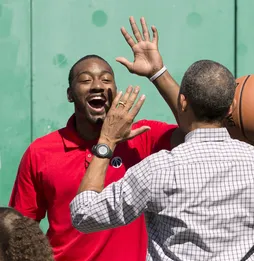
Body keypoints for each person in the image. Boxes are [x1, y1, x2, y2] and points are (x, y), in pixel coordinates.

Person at [70, 59, 254, 261]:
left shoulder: (158, 169)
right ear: (231, 108)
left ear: (183, 102)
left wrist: (107, 140)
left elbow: (84, 215)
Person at [9, 17, 182, 261]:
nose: (97, 85)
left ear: (115, 90)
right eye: (86, 80)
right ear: (70, 94)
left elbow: (193, 125)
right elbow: (20, 232)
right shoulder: (40, 152)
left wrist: (157, 73)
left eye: (106, 79)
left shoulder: (142, 137)